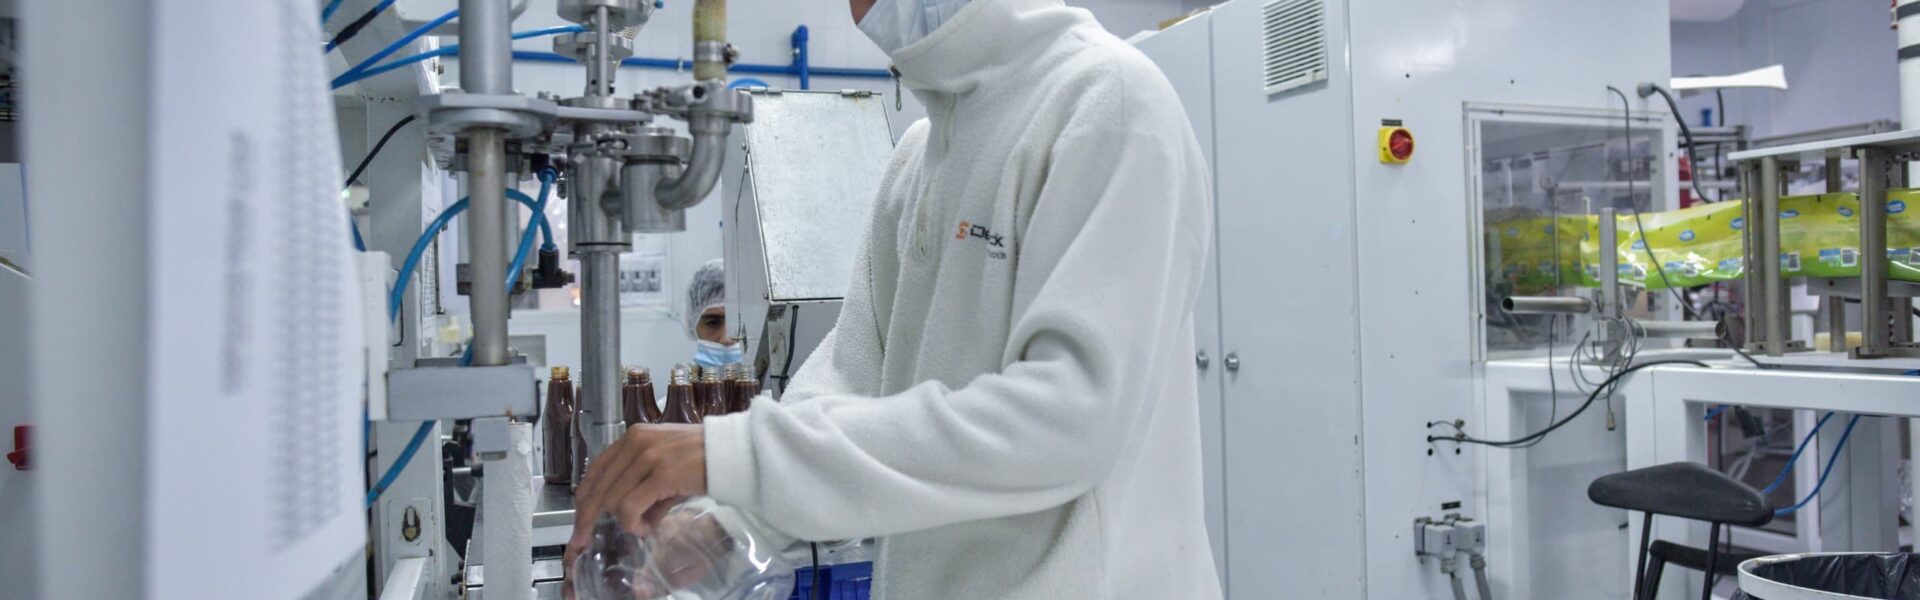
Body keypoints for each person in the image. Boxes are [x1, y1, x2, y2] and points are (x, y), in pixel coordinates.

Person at [568, 0, 1221, 597]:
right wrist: (727, 524)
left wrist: (737, 456)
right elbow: (849, 378)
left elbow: (1067, 421)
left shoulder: (1109, 103)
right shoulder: (919, 155)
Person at [684, 259, 742, 369]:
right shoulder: (683, 379)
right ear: (692, 324)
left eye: (737, 323)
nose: (726, 339)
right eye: (713, 323)